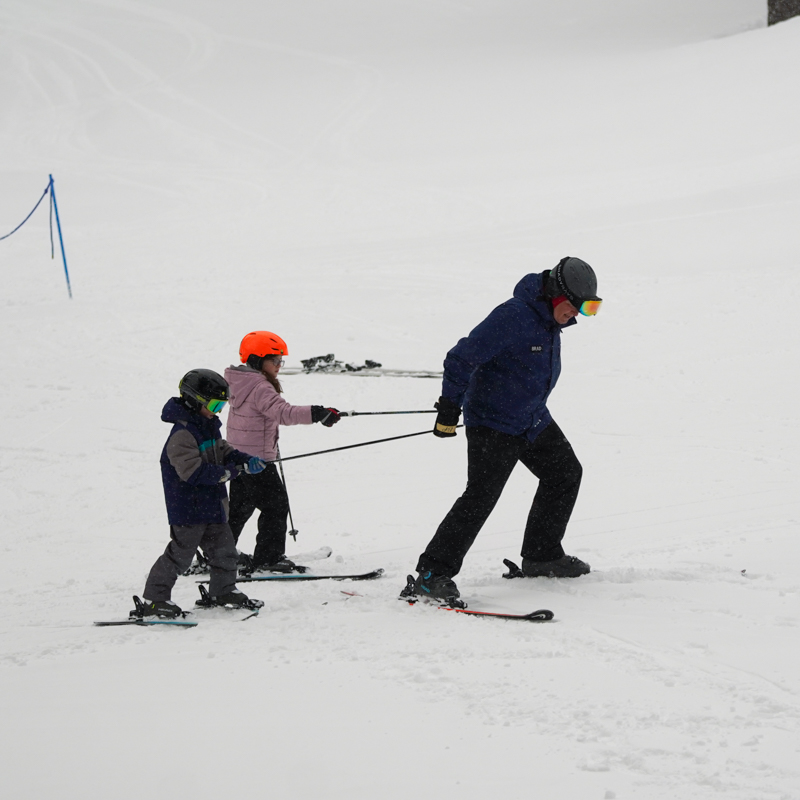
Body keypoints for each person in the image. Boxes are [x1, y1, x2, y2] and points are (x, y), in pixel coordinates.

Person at [407, 256, 602, 605]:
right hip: (494, 424)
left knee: (565, 472)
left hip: (531, 418)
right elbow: (460, 357)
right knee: (480, 497)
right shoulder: (513, 316)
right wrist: (451, 404)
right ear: (557, 295)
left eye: (590, 308)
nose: (580, 315)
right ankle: (432, 575)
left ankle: (542, 555)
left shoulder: (548, 321)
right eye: (578, 307)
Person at [140, 369, 265, 618]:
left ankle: (224, 590)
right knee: (180, 556)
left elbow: (224, 450)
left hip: (212, 506)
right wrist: (232, 472)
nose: (218, 411)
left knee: (225, 551)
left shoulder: (208, 426)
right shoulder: (182, 435)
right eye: (215, 404)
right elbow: (194, 473)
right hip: (188, 509)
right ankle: (155, 599)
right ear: (195, 400)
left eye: (222, 405)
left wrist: (245, 459)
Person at [224, 331, 342, 573]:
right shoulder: (259, 387)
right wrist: (318, 413)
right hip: (258, 462)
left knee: (238, 510)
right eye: (274, 360)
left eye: (281, 361)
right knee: (275, 506)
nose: (279, 366)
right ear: (257, 360)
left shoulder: (238, 381)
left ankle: (219, 553)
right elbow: (283, 412)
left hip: (237, 459)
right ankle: (268, 558)